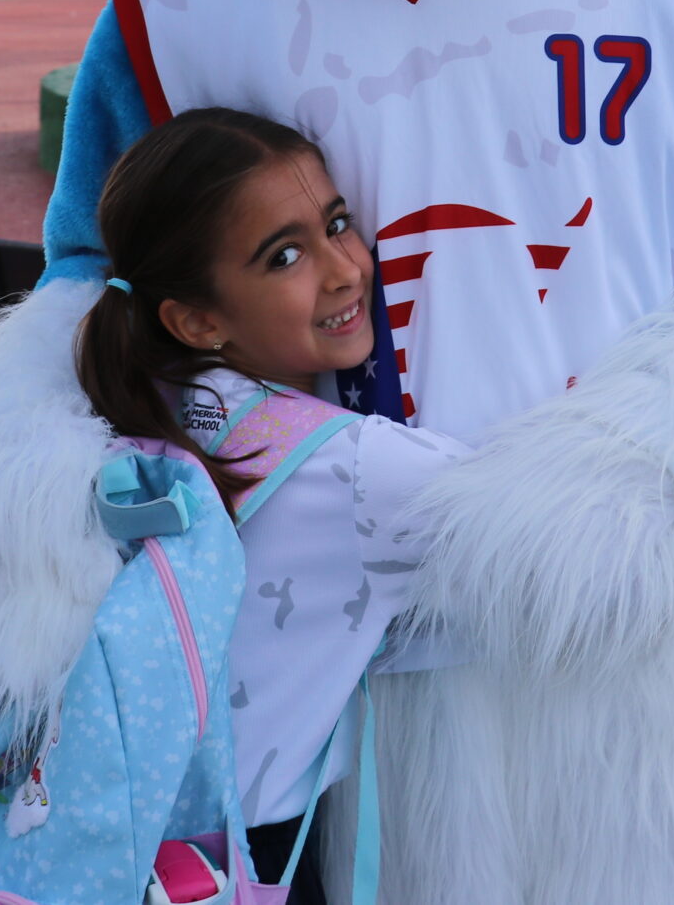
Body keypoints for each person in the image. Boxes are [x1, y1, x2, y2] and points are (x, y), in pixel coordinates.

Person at [73, 107, 466, 902]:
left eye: (338, 223)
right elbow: (574, 532)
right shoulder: (355, 471)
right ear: (196, 318)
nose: (345, 268)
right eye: (285, 255)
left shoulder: (115, 407)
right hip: (245, 862)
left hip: (106, 838)